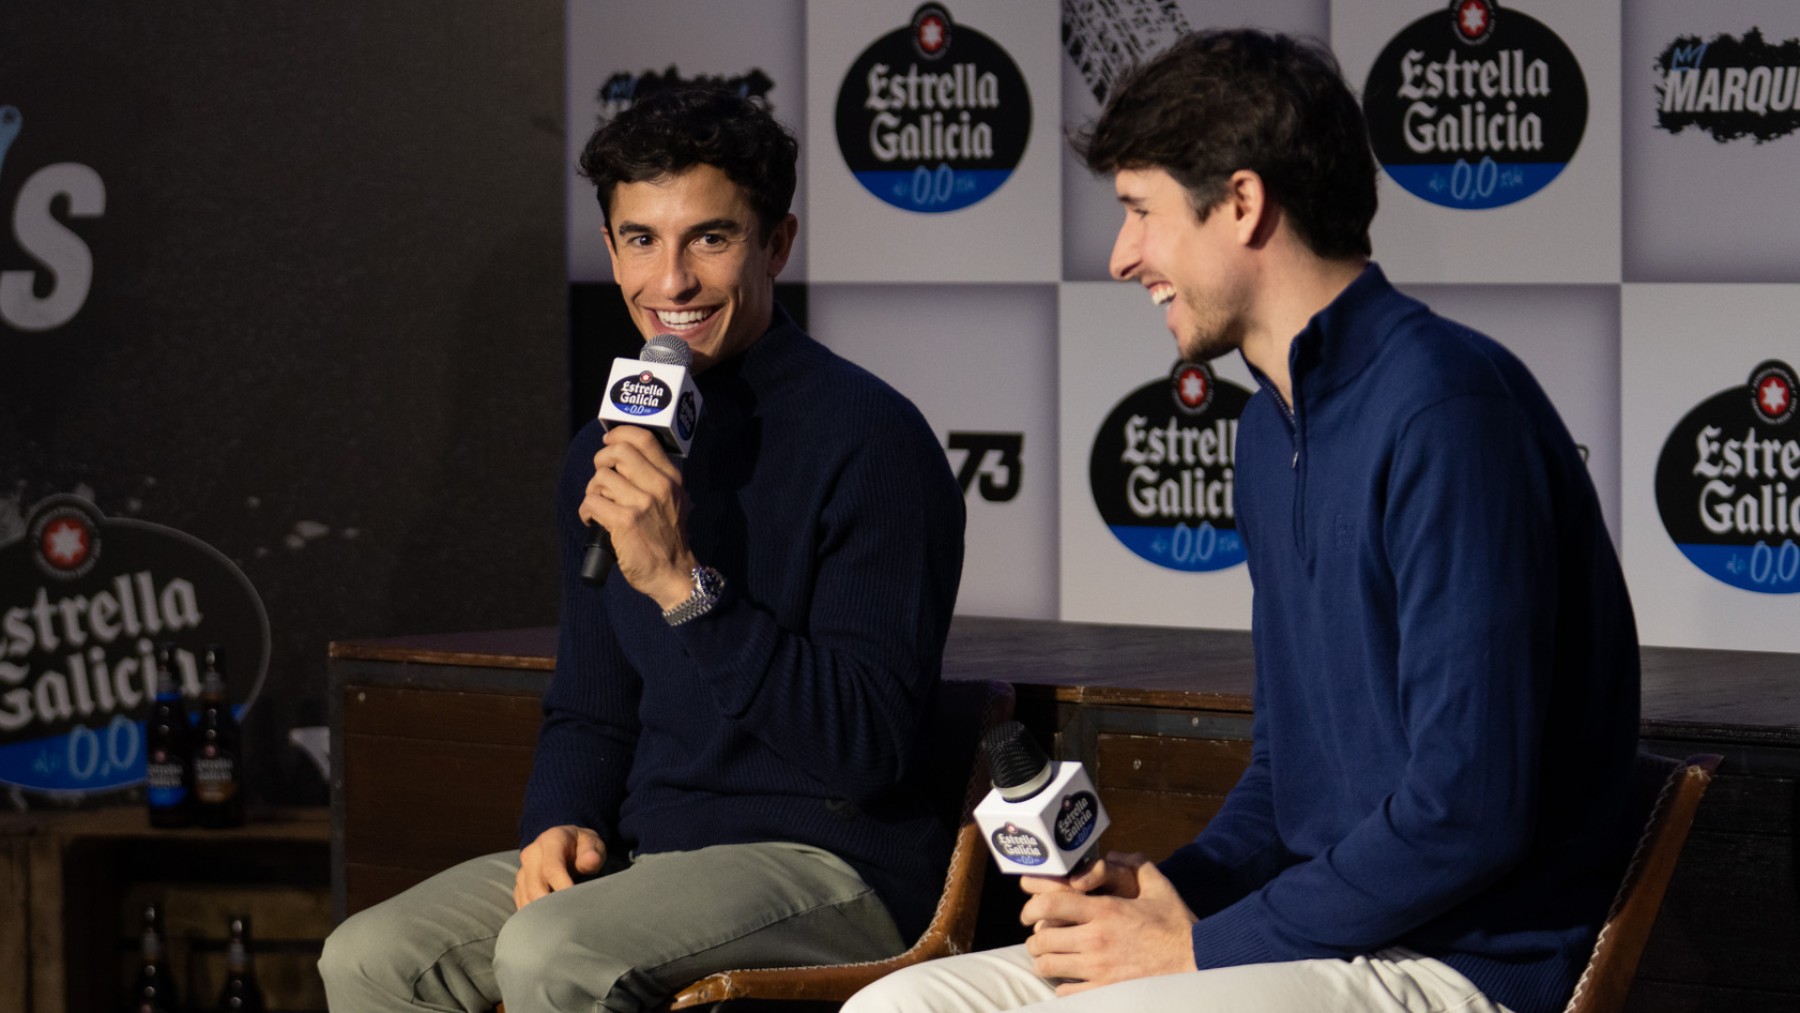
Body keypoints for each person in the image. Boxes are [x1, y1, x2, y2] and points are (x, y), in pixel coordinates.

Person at [844, 27, 1639, 1013]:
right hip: (1304, 935)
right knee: (898, 1006)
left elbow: (1466, 811)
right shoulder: (1269, 429)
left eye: (1141, 211)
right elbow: (1285, 780)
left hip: (1459, 961)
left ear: (1243, 203)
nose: (1121, 254)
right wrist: (1173, 895)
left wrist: (1207, 942)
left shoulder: (1450, 407)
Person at [319, 86, 966, 1013]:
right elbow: (589, 704)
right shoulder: (609, 447)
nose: (672, 283)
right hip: (650, 850)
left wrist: (683, 584)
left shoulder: (873, 441)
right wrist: (559, 818)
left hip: (836, 862)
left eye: (710, 238)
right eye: (640, 240)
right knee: (371, 954)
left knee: (555, 951)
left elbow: (865, 749)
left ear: (775, 245)